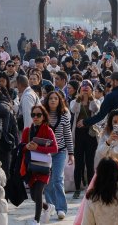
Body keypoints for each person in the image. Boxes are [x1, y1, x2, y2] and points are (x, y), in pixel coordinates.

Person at [20, 103, 58, 225]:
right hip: (31, 167)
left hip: (43, 167)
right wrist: (27, 146)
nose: (35, 117)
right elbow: (21, 147)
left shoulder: (48, 130)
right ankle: (48, 207)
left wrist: (38, 148)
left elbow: (55, 148)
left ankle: (36, 221)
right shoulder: (27, 130)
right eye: (33, 115)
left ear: (43, 117)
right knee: (33, 197)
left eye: (38, 115)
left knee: (38, 193)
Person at [42, 91, 73, 219]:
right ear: (47, 101)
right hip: (45, 152)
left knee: (58, 179)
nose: (53, 101)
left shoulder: (64, 115)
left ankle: (61, 208)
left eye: (56, 98)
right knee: (46, 180)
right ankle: (50, 205)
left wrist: (71, 153)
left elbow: (68, 135)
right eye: (51, 99)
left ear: (60, 101)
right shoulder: (43, 115)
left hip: (60, 151)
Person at [70, 80, 100, 198]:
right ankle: (77, 188)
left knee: (90, 162)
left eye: (88, 87)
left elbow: (96, 109)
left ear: (92, 89)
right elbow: (74, 110)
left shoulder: (95, 101)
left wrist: (90, 98)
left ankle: (91, 187)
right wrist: (79, 98)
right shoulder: (74, 101)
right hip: (78, 134)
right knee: (79, 163)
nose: (85, 88)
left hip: (90, 134)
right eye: (83, 86)